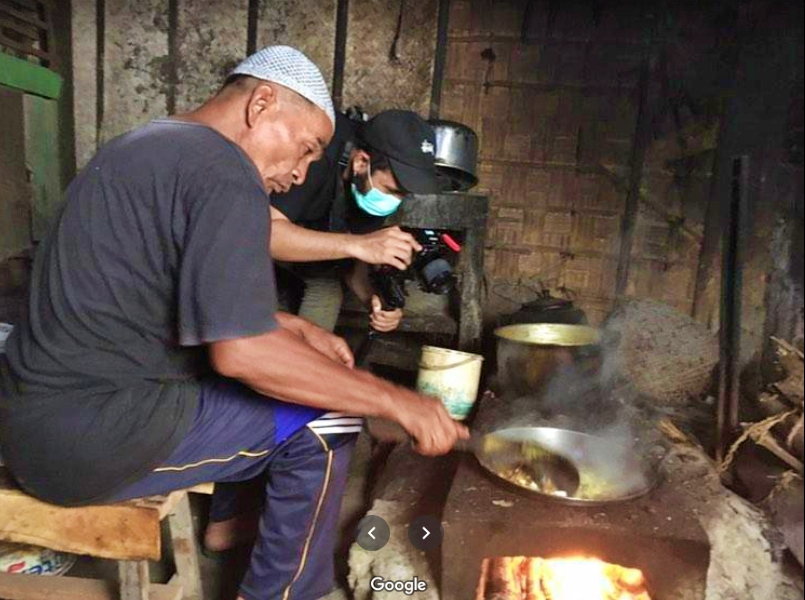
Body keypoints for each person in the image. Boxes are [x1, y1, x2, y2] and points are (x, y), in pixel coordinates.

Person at [0, 46, 468, 600]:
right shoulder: (226, 172)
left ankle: (227, 526)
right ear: (261, 103)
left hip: (35, 413)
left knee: (289, 372)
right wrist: (398, 401)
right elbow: (241, 353)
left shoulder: (147, 144)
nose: (298, 175)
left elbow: (155, 289)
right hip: (83, 442)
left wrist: (286, 325)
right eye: (306, 149)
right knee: (330, 417)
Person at [268, 109, 441, 335]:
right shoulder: (317, 153)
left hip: (300, 246)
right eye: (392, 191)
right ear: (361, 162)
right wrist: (358, 245)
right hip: (240, 245)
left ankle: (304, 355)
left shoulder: (371, 187)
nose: (394, 201)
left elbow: (352, 267)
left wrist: (375, 302)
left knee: (327, 289)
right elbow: (265, 235)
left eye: (403, 195)